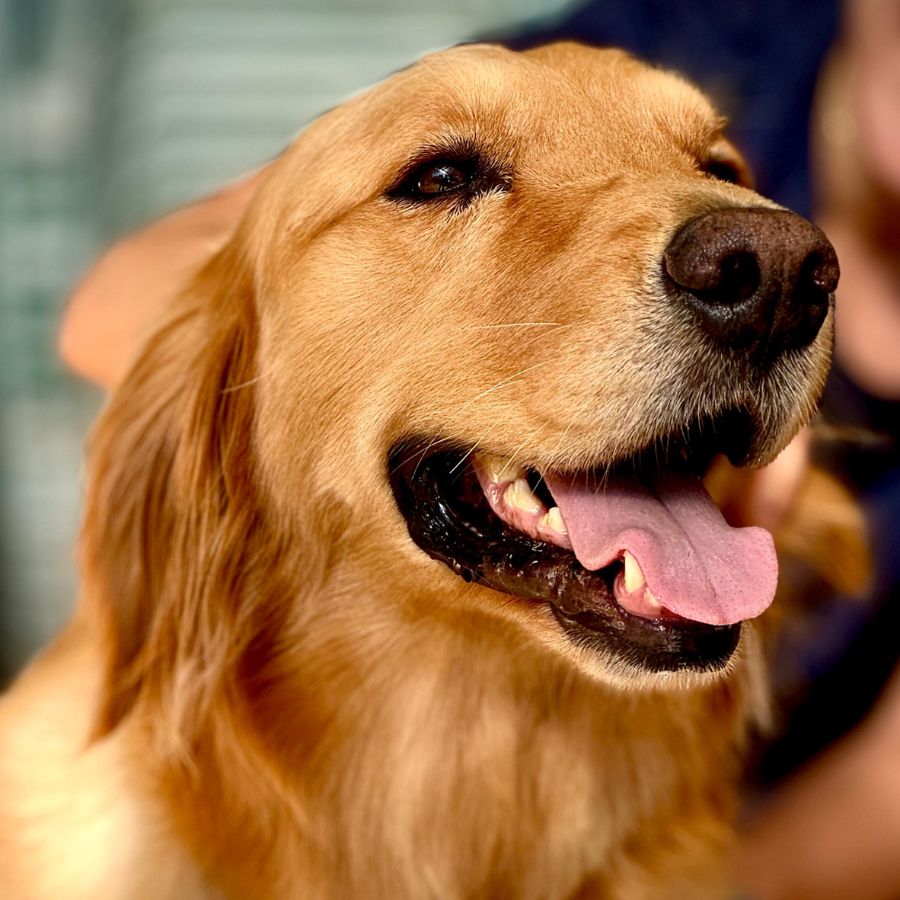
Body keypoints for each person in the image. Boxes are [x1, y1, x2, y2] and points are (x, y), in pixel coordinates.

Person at [60, 1, 900, 896]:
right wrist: (223, 355)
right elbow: (114, 298)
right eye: (447, 177)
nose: (733, 229)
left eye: (713, 169)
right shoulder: (705, 31)